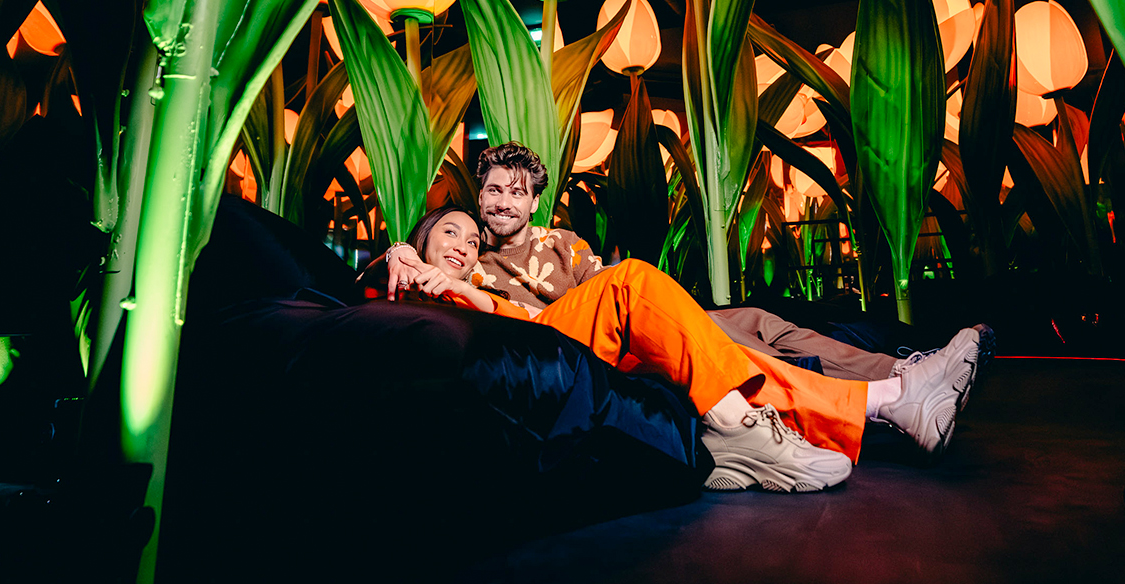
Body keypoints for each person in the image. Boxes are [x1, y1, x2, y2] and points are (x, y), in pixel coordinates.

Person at [383, 144, 985, 493]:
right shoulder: (469, 263)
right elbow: (419, 259)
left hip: (624, 327)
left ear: (533, 201)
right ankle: (893, 392)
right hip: (575, 338)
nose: (499, 203)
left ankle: (896, 389)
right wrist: (404, 250)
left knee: (750, 325)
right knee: (641, 282)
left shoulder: (560, 242)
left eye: (514, 193)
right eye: (491, 192)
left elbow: (604, 291)